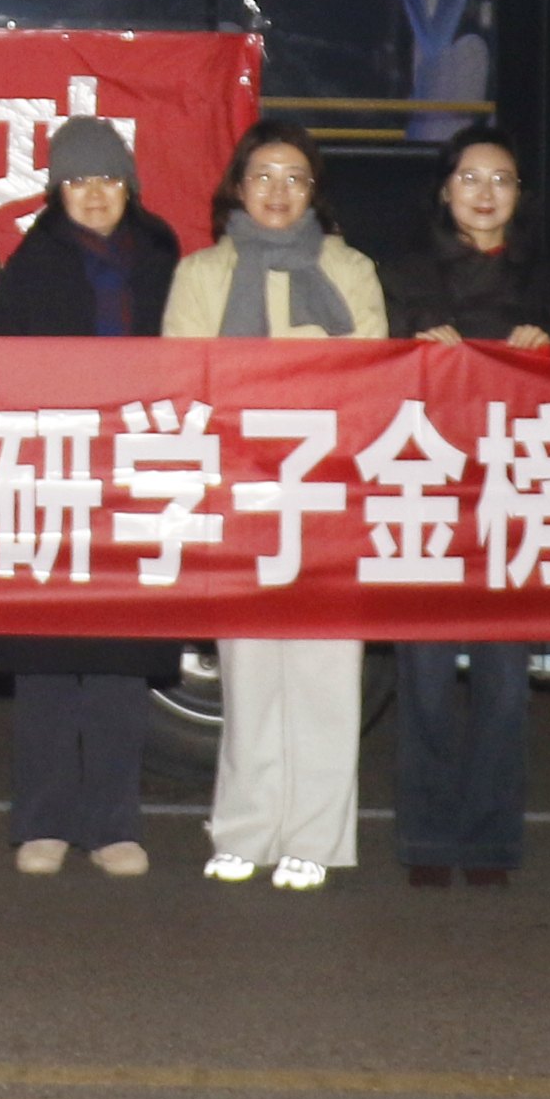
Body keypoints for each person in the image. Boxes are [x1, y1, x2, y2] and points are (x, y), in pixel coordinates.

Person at [166, 120, 386, 889]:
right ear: (238, 185)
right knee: (249, 671)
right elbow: (185, 378)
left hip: (328, 492)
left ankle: (316, 837)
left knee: (325, 674)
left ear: (314, 191)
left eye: (295, 177)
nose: (278, 190)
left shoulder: (350, 269)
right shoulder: (202, 272)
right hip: (240, 490)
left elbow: (367, 379)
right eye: (263, 175)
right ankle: (245, 827)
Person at [0, 116, 181, 878]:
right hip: (50, 474)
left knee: (118, 664)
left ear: (129, 185)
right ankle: (42, 820)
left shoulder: (163, 260)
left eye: (107, 178)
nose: (94, 193)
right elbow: (1, 375)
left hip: (136, 476)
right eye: (76, 180)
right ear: (55, 191)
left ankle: (112, 823)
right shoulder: (29, 264)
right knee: (45, 658)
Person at [375, 123, 550, 888]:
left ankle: (487, 841)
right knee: (421, 677)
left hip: (514, 495)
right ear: (445, 189)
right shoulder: (403, 274)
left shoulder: (548, 279)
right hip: (427, 493)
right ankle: (425, 836)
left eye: (502, 179)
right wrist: (413, 354)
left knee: (503, 682)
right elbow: (369, 372)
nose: (486, 193)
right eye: (471, 178)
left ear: (519, 195)